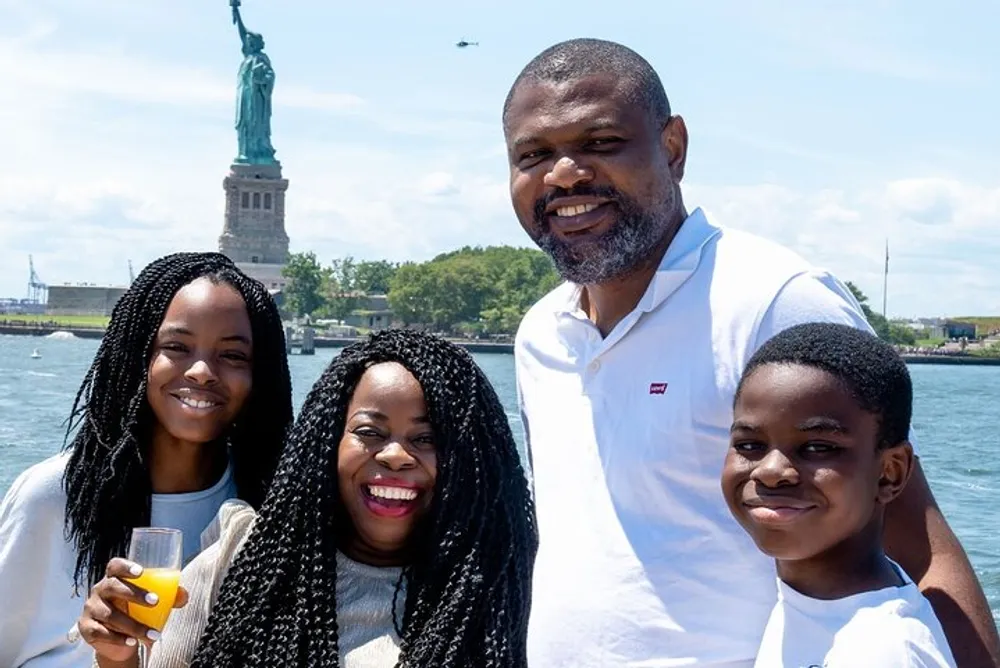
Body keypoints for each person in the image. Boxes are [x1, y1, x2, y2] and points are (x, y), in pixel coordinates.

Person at [504, 38, 999, 667]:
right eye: (533, 155)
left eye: (600, 144)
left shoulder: (773, 300)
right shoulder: (540, 335)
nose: (565, 174)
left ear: (673, 147)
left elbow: (919, 546)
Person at [79, 329, 538, 667]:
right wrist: (116, 655)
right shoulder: (243, 558)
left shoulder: (508, 592)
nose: (396, 455)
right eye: (368, 432)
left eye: (427, 439)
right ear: (326, 445)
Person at [0, 252, 293, 668]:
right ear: (137, 355)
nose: (202, 372)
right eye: (176, 347)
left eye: (232, 356)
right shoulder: (51, 495)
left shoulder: (270, 512)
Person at [723, 322, 956, 667]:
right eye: (749, 445)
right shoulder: (807, 605)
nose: (770, 471)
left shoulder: (885, 651)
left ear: (890, 472)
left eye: (818, 447)